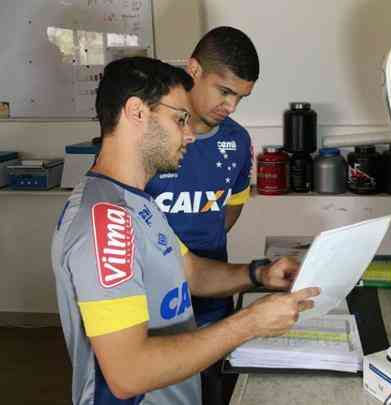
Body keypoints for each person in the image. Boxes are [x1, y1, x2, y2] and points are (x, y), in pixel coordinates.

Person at [51, 56, 319, 405]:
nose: (190, 134)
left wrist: (259, 274)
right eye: (180, 119)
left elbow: (190, 271)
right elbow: (128, 373)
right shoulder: (106, 221)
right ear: (137, 112)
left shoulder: (138, 201)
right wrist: (250, 322)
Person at [144, 26, 259, 404]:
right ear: (193, 69)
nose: (231, 107)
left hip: (212, 300)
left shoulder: (238, 141)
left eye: (240, 97)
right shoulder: (148, 135)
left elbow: (231, 207)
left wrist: (201, 244)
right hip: (150, 306)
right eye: (224, 91)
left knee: (212, 391)